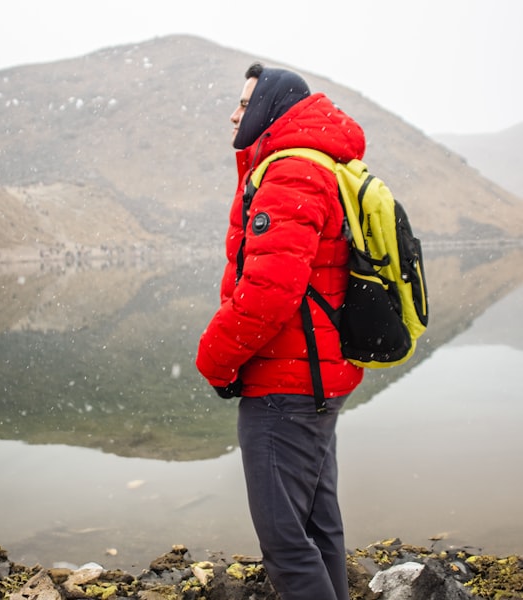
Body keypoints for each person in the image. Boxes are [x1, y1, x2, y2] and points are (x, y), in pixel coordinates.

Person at [195, 62, 366, 600]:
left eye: (244, 105)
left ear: (270, 107)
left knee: (286, 545)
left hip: (285, 387)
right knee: (318, 527)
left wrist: (214, 361)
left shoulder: (290, 170)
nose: (234, 114)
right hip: (316, 376)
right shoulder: (316, 163)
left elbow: (269, 294)